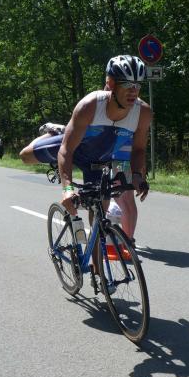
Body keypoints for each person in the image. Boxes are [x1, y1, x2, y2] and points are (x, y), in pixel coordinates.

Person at [20, 55, 152, 246]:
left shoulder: (143, 112)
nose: (134, 91)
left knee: (99, 216)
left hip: (98, 159)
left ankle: (98, 265)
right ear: (111, 83)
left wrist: (138, 175)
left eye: (138, 85)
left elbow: (138, 149)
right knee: (25, 157)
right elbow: (66, 151)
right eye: (127, 84)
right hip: (73, 146)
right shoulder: (90, 105)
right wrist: (67, 189)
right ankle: (55, 131)